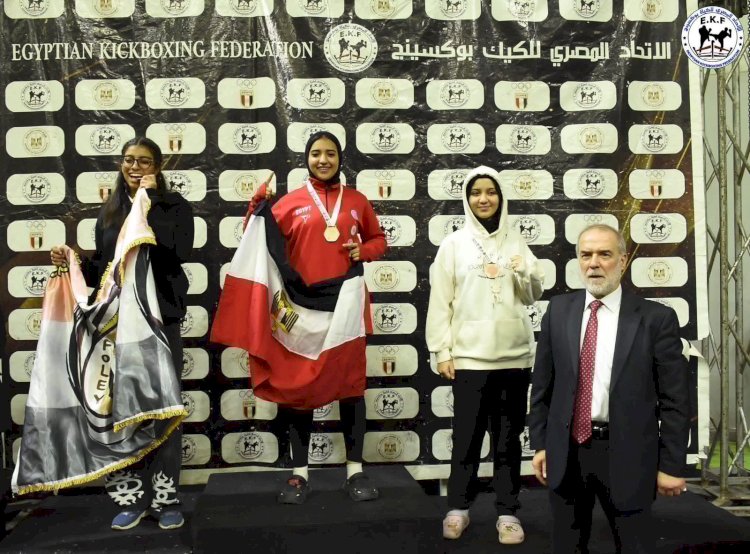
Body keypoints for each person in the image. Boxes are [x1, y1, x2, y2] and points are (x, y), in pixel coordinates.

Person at [50, 136, 194, 531]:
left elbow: (177, 252)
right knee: (125, 413)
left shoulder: (174, 206)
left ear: (157, 168)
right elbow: (105, 268)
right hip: (117, 327)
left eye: (144, 161)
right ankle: (134, 497)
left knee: (164, 411)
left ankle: (167, 499)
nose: (135, 167)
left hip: (160, 324)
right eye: (129, 160)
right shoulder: (110, 211)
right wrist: (73, 261)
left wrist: (150, 203)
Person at [236, 130, 387, 504]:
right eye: (316, 153)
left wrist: (364, 251)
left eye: (330, 153)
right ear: (307, 159)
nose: (323, 160)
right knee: (299, 391)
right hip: (301, 309)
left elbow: (379, 239)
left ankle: (355, 471)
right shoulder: (290, 203)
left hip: (346, 306)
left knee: (350, 389)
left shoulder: (357, 201)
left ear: (340, 158)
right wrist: (255, 209)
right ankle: (299, 474)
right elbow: (257, 238)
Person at [528, 223, 690, 554]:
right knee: (567, 546)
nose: (594, 263)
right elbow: (543, 386)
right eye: (586, 255)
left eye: (604, 254)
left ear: (623, 260)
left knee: (634, 545)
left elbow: (675, 400)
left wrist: (672, 466)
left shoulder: (656, 319)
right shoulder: (558, 311)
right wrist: (541, 444)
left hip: (629, 455)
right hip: (567, 454)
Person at [425, 165, 544, 544]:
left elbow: (532, 295)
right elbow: (440, 302)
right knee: (467, 437)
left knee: (508, 439)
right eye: (476, 192)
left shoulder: (516, 242)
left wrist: (524, 272)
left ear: (501, 197)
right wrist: (441, 351)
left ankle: (507, 512)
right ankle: (458, 508)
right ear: (467, 198)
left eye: (490, 191)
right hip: (469, 359)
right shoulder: (453, 244)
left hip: (514, 358)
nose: (483, 198)